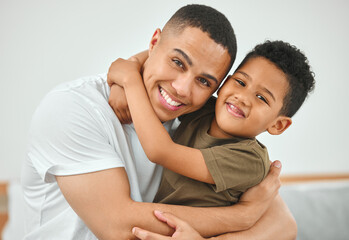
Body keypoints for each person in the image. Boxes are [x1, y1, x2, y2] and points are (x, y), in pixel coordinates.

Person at [21, 4, 296, 240]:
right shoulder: (73, 108)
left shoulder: (201, 118)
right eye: (177, 62)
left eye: (203, 81)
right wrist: (242, 217)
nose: (182, 89)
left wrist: (129, 73)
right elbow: (117, 226)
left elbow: (283, 225)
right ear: (153, 44)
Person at [107, 40, 315, 208]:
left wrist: (129, 81)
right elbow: (156, 59)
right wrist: (129, 70)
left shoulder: (250, 160)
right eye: (241, 83)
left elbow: (160, 151)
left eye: (261, 98)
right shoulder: (207, 110)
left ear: (278, 125)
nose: (242, 97)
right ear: (224, 83)